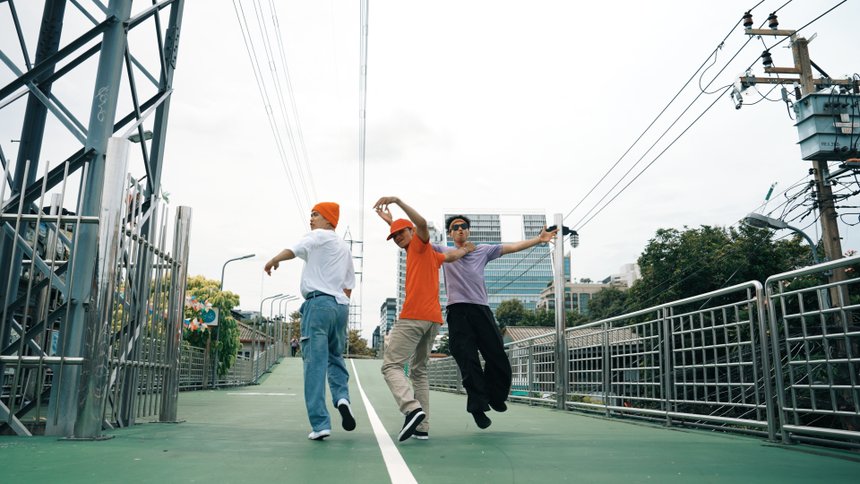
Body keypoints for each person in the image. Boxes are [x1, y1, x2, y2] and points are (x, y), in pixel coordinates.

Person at [434, 215, 557, 429]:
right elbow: (418, 239)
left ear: (469, 231)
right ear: (451, 233)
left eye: (464, 226)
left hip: (481, 310)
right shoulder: (443, 251)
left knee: (497, 354)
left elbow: (513, 247)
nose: (461, 229)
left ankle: (496, 396)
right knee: (468, 360)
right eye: (456, 227)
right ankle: (478, 408)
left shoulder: (483, 250)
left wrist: (539, 240)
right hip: (457, 311)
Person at [374, 196, 474, 442]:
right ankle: (422, 427)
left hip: (414, 317)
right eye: (394, 237)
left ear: (412, 232)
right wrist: (463, 250)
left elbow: (420, 223)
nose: (397, 239)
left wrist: (397, 201)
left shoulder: (420, 243)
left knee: (391, 365)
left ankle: (411, 409)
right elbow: (450, 257)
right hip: (433, 321)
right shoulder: (429, 254)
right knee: (419, 371)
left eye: (401, 234)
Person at [264, 202, 357, 441]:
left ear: (328, 219)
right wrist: (338, 306)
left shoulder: (317, 236)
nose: (312, 219)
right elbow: (348, 285)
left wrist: (274, 259)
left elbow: (293, 250)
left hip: (317, 304)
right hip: (340, 307)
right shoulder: (344, 248)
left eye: (315, 214)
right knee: (335, 358)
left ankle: (320, 424)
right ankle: (342, 399)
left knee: (314, 364)